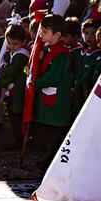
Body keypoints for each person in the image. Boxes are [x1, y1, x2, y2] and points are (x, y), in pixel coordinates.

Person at [30, 14, 73, 169]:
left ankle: (50, 160)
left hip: (57, 100)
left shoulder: (61, 54)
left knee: (55, 133)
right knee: (47, 131)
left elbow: (53, 76)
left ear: (57, 35)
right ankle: (46, 158)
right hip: (49, 97)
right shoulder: (49, 49)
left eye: (45, 31)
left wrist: (37, 82)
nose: (41, 34)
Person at [0, 24, 30, 150]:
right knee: (12, 114)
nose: (12, 46)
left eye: (15, 44)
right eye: (10, 43)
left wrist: (3, 76)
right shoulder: (14, 53)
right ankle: (15, 137)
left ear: (23, 42)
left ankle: (18, 140)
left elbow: (11, 71)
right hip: (13, 89)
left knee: (17, 115)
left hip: (18, 89)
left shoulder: (21, 55)